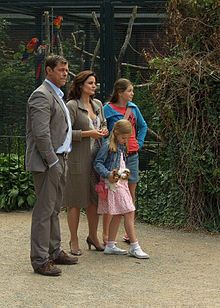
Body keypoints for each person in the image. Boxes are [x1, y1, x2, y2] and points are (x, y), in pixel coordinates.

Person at [26, 55, 78, 277]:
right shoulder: (41, 95)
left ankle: (54, 251)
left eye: (67, 70)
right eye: (61, 70)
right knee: (44, 211)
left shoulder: (56, 95)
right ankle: (40, 260)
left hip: (60, 159)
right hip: (49, 162)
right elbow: (41, 134)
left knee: (55, 209)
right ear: (48, 71)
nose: (65, 73)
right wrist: (53, 161)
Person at [64, 70, 108, 255]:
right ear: (81, 85)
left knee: (95, 201)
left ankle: (93, 236)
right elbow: (64, 134)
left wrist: (104, 129)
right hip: (77, 160)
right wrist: (88, 134)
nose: (94, 86)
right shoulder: (72, 106)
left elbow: (103, 124)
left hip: (97, 159)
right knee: (74, 201)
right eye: (90, 83)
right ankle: (73, 240)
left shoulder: (98, 104)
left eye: (95, 83)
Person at [94, 119, 149, 259]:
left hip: (121, 183)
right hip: (113, 184)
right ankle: (134, 246)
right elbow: (98, 163)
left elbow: (121, 163)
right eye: (124, 138)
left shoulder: (121, 146)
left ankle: (110, 245)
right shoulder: (107, 145)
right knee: (129, 211)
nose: (125, 140)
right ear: (116, 133)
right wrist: (108, 174)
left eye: (127, 138)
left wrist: (124, 172)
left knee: (119, 213)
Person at [103, 78, 148, 244]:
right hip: (115, 156)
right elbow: (104, 130)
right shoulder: (107, 109)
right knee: (113, 193)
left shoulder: (134, 108)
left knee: (130, 193)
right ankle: (107, 235)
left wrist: (139, 143)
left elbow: (143, 126)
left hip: (132, 155)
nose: (132, 93)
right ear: (120, 92)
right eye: (129, 90)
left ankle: (129, 233)